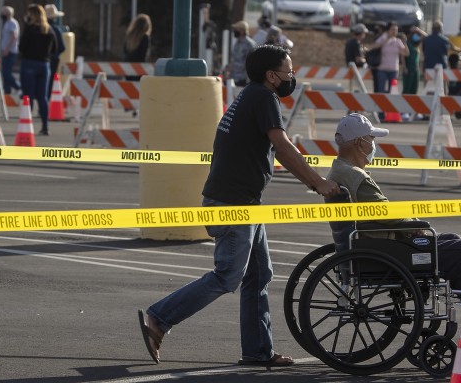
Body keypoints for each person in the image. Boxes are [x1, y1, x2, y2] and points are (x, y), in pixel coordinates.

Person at [138, 44, 340, 367]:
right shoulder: (264, 98)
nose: (292, 77)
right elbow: (284, 149)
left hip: (245, 201)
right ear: (271, 76)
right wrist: (318, 182)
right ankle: (159, 317)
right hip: (233, 204)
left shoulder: (250, 96)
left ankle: (258, 351)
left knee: (259, 274)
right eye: (288, 71)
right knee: (227, 276)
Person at [326, 113, 461, 353]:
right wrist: (415, 223)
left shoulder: (340, 170)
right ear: (359, 143)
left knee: (454, 241)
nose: (373, 144)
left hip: (372, 245)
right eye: (371, 138)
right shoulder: (356, 176)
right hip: (385, 249)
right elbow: (385, 214)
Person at [19, 4, 58, 135]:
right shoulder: (49, 30)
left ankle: (26, 125)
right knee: (43, 97)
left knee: (28, 97)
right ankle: (45, 126)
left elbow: (22, 47)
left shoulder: (30, 29)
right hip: (44, 65)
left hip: (29, 63)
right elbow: (55, 49)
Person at [369, 21, 407, 107]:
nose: (394, 32)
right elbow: (374, 46)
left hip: (393, 70)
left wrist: (404, 42)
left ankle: (390, 110)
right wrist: (386, 39)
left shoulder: (397, 41)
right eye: (393, 30)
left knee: (392, 91)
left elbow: (405, 53)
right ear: (388, 30)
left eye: (396, 30)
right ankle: (380, 112)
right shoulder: (383, 38)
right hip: (382, 69)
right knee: (381, 91)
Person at [44, 4, 66, 100]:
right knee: (50, 82)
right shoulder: (56, 29)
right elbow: (62, 47)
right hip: (53, 59)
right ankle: (46, 101)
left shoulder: (40, 28)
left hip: (41, 59)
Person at [226, 20, 256, 86]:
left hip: (244, 79)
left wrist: (233, 66)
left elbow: (249, 63)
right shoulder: (237, 43)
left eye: (237, 29)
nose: (235, 31)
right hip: (234, 78)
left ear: (242, 31)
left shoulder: (249, 44)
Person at [124, 13, 152, 81]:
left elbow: (125, 51)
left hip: (127, 67)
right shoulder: (145, 37)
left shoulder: (129, 36)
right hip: (139, 68)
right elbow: (143, 55)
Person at [0, 5, 20, 94]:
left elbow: (14, 36)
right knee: (4, 72)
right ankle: (7, 90)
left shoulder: (12, 23)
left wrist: (7, 49)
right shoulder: (7, 23)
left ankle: (18, 86)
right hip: (6, 51)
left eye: (3, 13)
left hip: (10, 51)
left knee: (6, 72)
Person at [402, 25, 426, 95]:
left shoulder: (417, 45)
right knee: (407, 90)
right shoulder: (407, 42)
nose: (416, 35)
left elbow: (426, 37)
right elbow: (402, 56)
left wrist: (418, 30)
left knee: (414, 90)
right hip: (408, 69)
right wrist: (404, 67)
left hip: (416, 69)